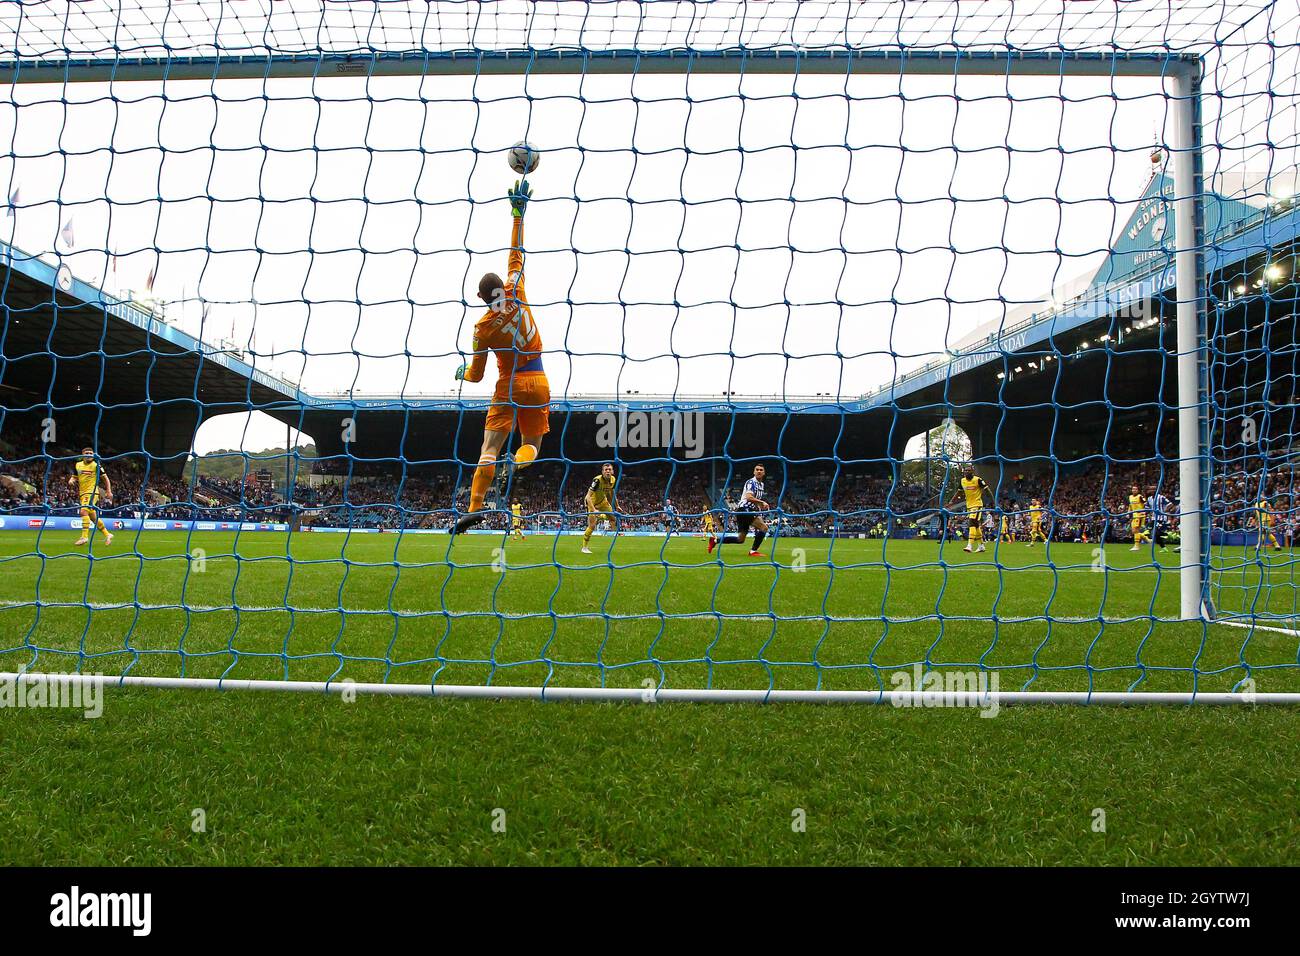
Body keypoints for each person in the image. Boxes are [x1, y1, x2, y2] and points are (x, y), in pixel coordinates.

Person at [452, 178, 549, 535]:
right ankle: (517, 461)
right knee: (532, 446)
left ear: (481, 297)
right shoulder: (517, 289)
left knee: (488, 447)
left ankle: (474, 508)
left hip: (507, 384)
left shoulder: (482, 329)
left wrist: (463, 370)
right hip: (538, 379)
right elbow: (516, 252)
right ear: (501, 288)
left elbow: (476, 376)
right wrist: (518, 213)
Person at [708, 464, 770, 557]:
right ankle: (753, 551)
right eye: (757, 469)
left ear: (764, 473)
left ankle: (715, 540)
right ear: (754, 472)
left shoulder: (761, 485)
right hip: (745, 509)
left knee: (740, 539)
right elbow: (749, 497)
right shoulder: (751, 482)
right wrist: (762, 502)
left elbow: (754, 499)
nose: (759, 471)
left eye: (761, 470)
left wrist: (760, 506)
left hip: (747, 510)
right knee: (764, 527)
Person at [68, 447, 114, 548]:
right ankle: (107, 534)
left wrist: (108, 491)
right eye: (87, 453)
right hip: (82, 493)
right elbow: (74, 476)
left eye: (91, 453)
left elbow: (106, 479)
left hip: (92, 492)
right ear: (83, 454)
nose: (89, 454)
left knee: (83, 512)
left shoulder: (96, 465)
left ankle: (84, 537)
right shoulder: (78, 465)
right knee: (93, 517)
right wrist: (71, 480)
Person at [946, 464, 990, 553]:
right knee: (976, 525)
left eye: (968, 470)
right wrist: (951, 502)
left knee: (971, 522)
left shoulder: (978, 480)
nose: (966, 472)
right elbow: (958, 493)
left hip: (977, 505)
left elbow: (987, 490)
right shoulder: (962, 481)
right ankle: (981, 545)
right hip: (969, 506)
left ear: (972, 472)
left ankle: (969, 545)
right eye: (965, 470)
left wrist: (995, 502)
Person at [582, 463, 619, 554]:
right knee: (592, 525)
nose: (608, 471)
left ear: (612, 471)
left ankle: (601, 517)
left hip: (603, 502)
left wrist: (617, 505)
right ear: (602, 472)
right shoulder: (597, 480)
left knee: (613, 518)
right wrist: (594, 510)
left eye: (609, 469)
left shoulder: (613, 479)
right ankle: (584, 547)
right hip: (592, 503)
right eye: (605, 470)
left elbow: (611, 493)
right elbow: (588, 497)